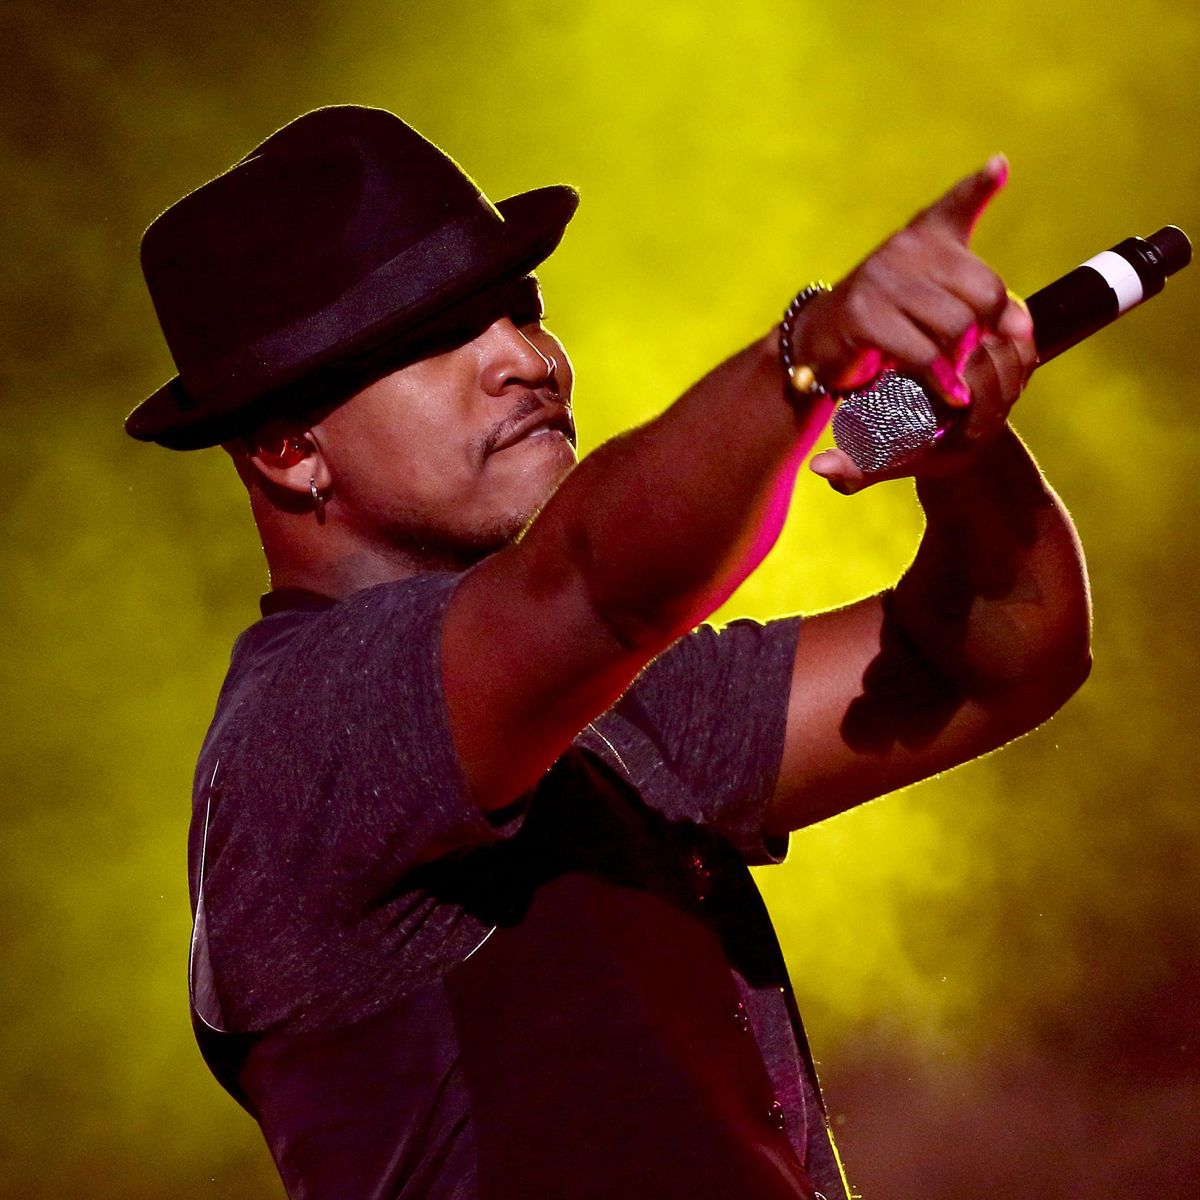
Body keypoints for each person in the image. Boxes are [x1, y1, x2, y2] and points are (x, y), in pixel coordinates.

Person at [126, 105, 1091, 1200]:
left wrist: (965, 458)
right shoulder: (303, 736)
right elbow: (596, 585)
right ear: (286, 446)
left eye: (523, 310)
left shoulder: (608, 720)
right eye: (435, 338)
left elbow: (993, 661)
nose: (526, 360)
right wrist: (805, 356)